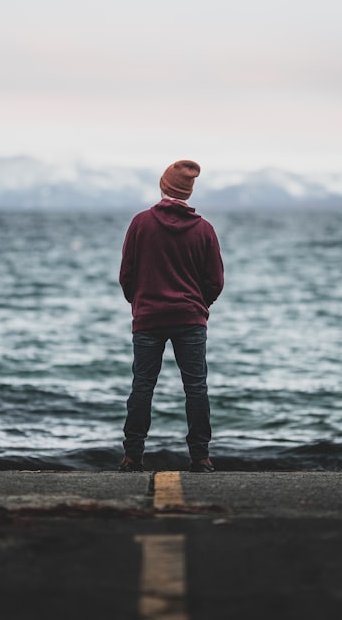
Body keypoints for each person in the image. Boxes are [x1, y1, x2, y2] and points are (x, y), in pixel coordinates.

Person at [118, 159, 224, 473]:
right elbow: (215, 280)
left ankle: (132, 456)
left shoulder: (141, 223)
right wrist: (199, 306)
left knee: (142, 386)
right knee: (196, 388)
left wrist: (139, 303)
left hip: (149, 317)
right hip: (190, 318)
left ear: (163, 186)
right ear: (189, 192)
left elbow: (127, 273)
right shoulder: (204, 229)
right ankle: (200, 457)